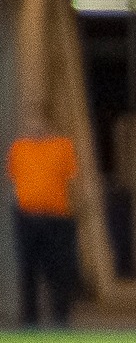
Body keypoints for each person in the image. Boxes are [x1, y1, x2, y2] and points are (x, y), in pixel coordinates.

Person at [9, 104, 80, 327]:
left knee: (58, 269)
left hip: (57, 218)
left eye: (39, 122)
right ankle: (29, 321)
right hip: (27, 217)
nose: (35, 127)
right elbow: (14, 179)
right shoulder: (19, 148)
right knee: (28, 270)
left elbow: (72, 181)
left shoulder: (62, 146)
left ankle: (60, 319)